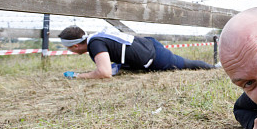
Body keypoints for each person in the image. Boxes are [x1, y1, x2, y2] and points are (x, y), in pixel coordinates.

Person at [58, 26, 216, 79]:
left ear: (75, 46)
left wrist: (78, 76)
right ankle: (214, 66)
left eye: (68, 48)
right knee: (184, 62)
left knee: (184, 64)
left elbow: (104, 72)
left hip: (154, 56)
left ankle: (215, 68)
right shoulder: (97, 38)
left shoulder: (95, 44)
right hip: (147, 44)